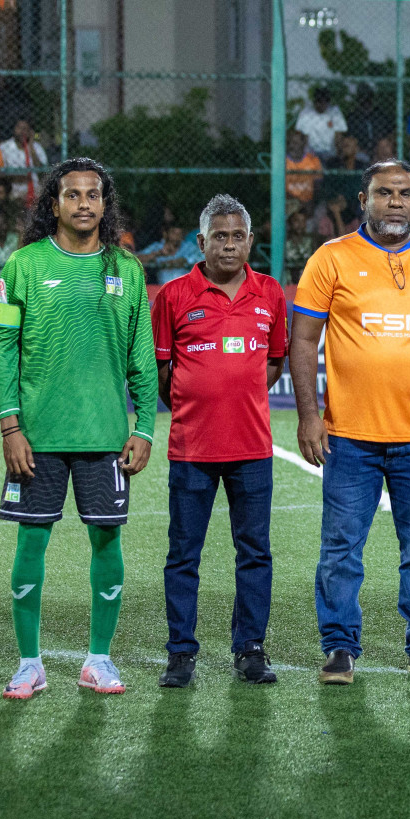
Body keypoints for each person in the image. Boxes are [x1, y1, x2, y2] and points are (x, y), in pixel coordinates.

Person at [290, 158, 410, 684]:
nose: (396, 202)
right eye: (384, 193)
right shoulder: (332, 258)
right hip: (349, 435)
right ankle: (340, 647)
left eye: (406, 193)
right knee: (341, 548)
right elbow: (303, 341)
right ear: (363, 200)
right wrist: (308, 415)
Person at [0, 158, 158, 699]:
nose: (84, 203)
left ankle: (98, 659)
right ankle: (28, 663)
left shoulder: (126, 269)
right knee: (30, 541)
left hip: (106, 437)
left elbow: (142, 356)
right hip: (37, 438)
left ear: (105, 205)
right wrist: (10, 425)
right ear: (54, 203)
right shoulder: (23, 265)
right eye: (72, 195)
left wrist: (144, 429)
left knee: (106, 541)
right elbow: (4, 348)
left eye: (94, 195)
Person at [150, 195, 288, 689]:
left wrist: (236, 394)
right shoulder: (173, 296)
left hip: (252, 447)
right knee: (184, 554)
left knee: (254, 552)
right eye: (220, 237)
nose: (229, 245)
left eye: (238, 236)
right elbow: (163, 375)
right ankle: (181, 653)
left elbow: (273, 365)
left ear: (251, 241)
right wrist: (199, 401)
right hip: (192, 449)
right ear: (201, 241)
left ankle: (249, 647)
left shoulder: (271, 293)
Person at [0, 117, 47, 204]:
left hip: (35, 191)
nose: (22, 132)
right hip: (13, 191)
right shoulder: (5, 147)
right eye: (19, 128)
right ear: (14, 129)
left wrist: (31, 148)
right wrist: (16, 177)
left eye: (25, 129)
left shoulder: (37, 147)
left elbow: (42, 172)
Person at [295, 86, 348, 157]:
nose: (322, 104)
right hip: (310, 153)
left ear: (328, 102)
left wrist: (338, 154)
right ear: (314, 101)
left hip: (330, 152)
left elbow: (338, 135)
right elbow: (303, 137)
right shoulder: (306, 113)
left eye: (325, 101)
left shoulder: (335, 112)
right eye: (319, 101)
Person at [285, 129, 323, 207]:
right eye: (289, 143)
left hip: (310, 202)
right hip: (289, 202)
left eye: (295, 143)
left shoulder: (313, 160)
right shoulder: (283, 162)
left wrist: (311, 203)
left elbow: (318, 185)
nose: (292, 146)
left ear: (303, 144)